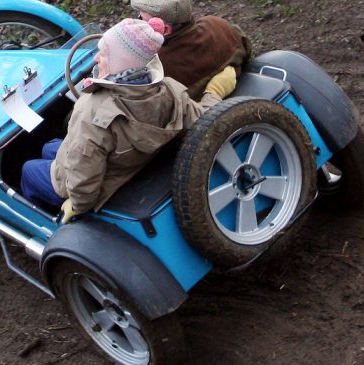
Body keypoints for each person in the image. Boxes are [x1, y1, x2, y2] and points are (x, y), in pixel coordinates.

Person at [21, 17, 238, 223]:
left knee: (28, 169)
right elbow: (202, 119)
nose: (97, 58)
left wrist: (78, 205)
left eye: (104, 54)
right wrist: (215, 92)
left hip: (100, 184)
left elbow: (83, 181)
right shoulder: (168, 90)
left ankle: (45, 221)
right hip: (127, 164)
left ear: (120, 63)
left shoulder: (93, 112)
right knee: (51, 147)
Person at [129, 0, 251, 100]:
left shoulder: (157, 67)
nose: (137, 22)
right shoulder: (219, 25)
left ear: (165, 30)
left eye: (141, 19)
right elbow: (246, 48)